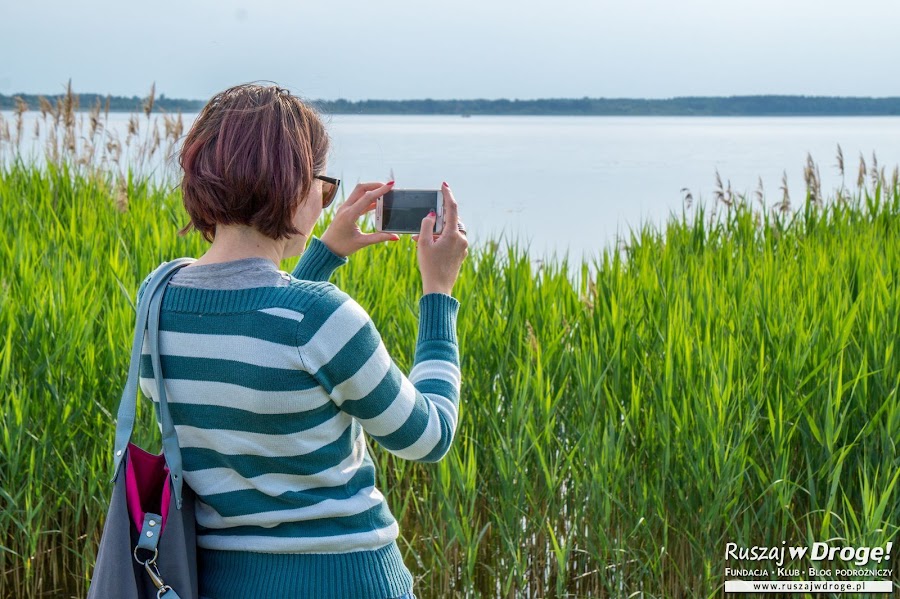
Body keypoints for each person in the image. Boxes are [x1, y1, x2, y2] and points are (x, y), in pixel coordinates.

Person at [135, 82, 468, 599]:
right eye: (324, 184)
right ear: (291, 185)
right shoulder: (322, 318)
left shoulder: (156, 299)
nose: (324, 197)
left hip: (221, 582)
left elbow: (263, 328)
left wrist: (324, 254)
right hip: (348, 581)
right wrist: (438, 295)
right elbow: (429, 437)